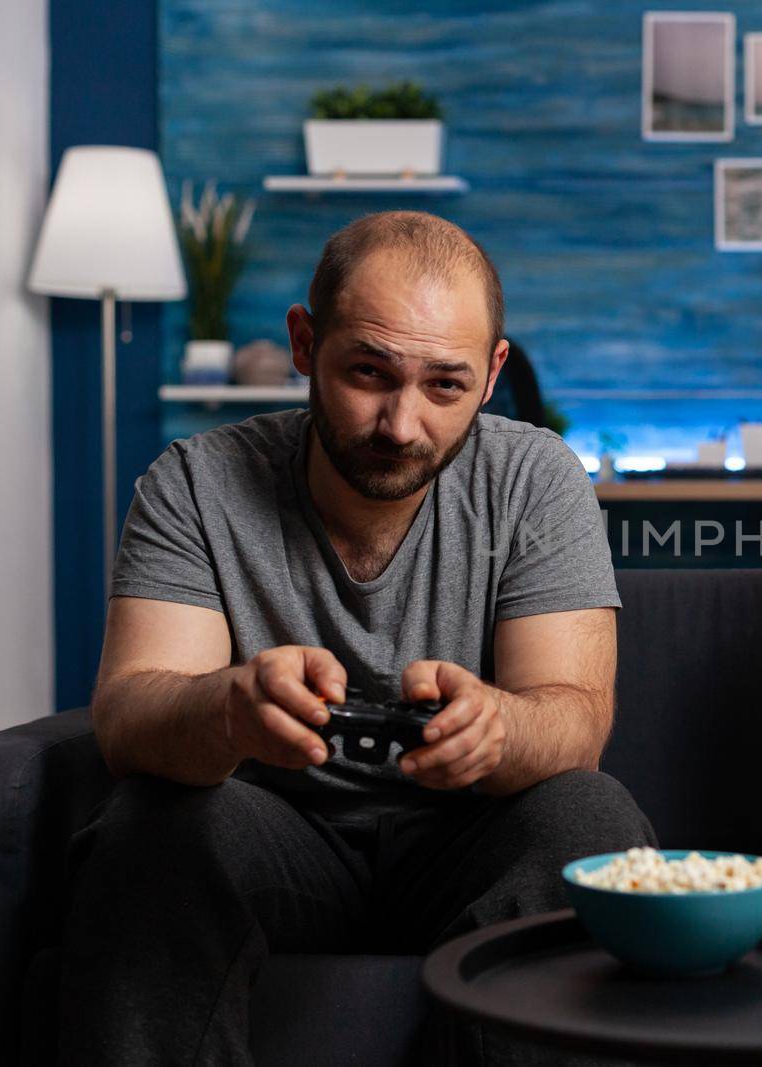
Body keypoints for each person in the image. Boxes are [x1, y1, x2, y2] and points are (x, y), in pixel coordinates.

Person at [58, 211, 656, 1064]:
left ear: (492, 375)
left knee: (590, 811)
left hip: (469, 843)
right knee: (151, 823)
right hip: (274, 834)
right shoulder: (194, 483)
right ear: (306, 343)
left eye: (445, 386)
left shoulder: (536, 478)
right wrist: (227, 706)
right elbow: (127, 718)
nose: (401, 424)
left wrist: (499, 725)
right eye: (368, 373)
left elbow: (576, 718)